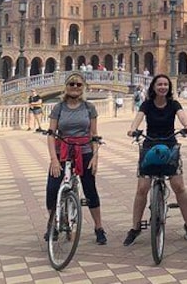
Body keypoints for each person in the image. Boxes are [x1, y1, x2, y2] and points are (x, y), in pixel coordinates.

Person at [124, 74, 187, 246]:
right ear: (154, 87)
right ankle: (135, 227)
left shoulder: (174, 104)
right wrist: (132, 129)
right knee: (142, 188)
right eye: (159, 84)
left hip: (170, 146)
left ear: (169, 88)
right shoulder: (147, 104)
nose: (162, 87)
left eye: (165, 84)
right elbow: (138, 119)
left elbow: (183, 117)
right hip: (150, 146)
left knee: (179, 186)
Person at [44, 73, 107, 245]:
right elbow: (51, 134)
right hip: (62, 151)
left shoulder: (89, 108)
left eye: (78, 84)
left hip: (84, 150)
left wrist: (95, 158)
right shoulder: (59, 108)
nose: (75, 87)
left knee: (90, 189)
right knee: (52, 189)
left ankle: (99, 227)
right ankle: (52, 224)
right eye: (71, 84)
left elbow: (94, 135)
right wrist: (54, 160)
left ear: (83, 87)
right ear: (66, 87)